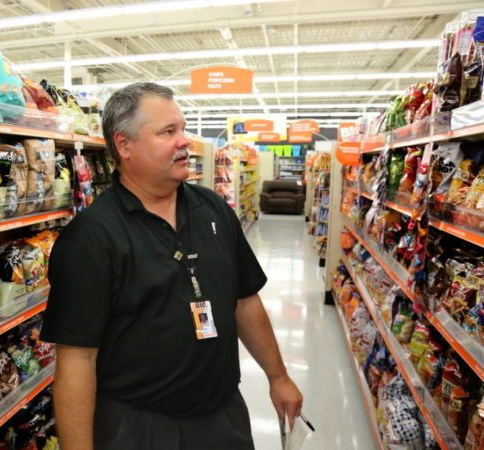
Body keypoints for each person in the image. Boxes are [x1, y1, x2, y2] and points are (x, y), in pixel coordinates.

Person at [41, 82, 303, 450]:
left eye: (183, 128)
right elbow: (77, 359)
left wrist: (278, 376)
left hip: (224, 416)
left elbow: (245, 300)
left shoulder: (213, 209)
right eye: (168, 131)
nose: (185, 141)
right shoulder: (90, 238)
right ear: (124, 145)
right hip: (139, 427)